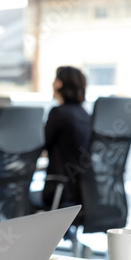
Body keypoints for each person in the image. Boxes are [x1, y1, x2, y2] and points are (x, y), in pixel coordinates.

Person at [41, 66, 91, 220]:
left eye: (55, 80)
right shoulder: (85, 115)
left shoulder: (58, 113)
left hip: (60, 192)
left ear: (60, 84)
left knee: (18, 199)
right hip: (85, 195)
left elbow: (40, 146)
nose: (52, 84)